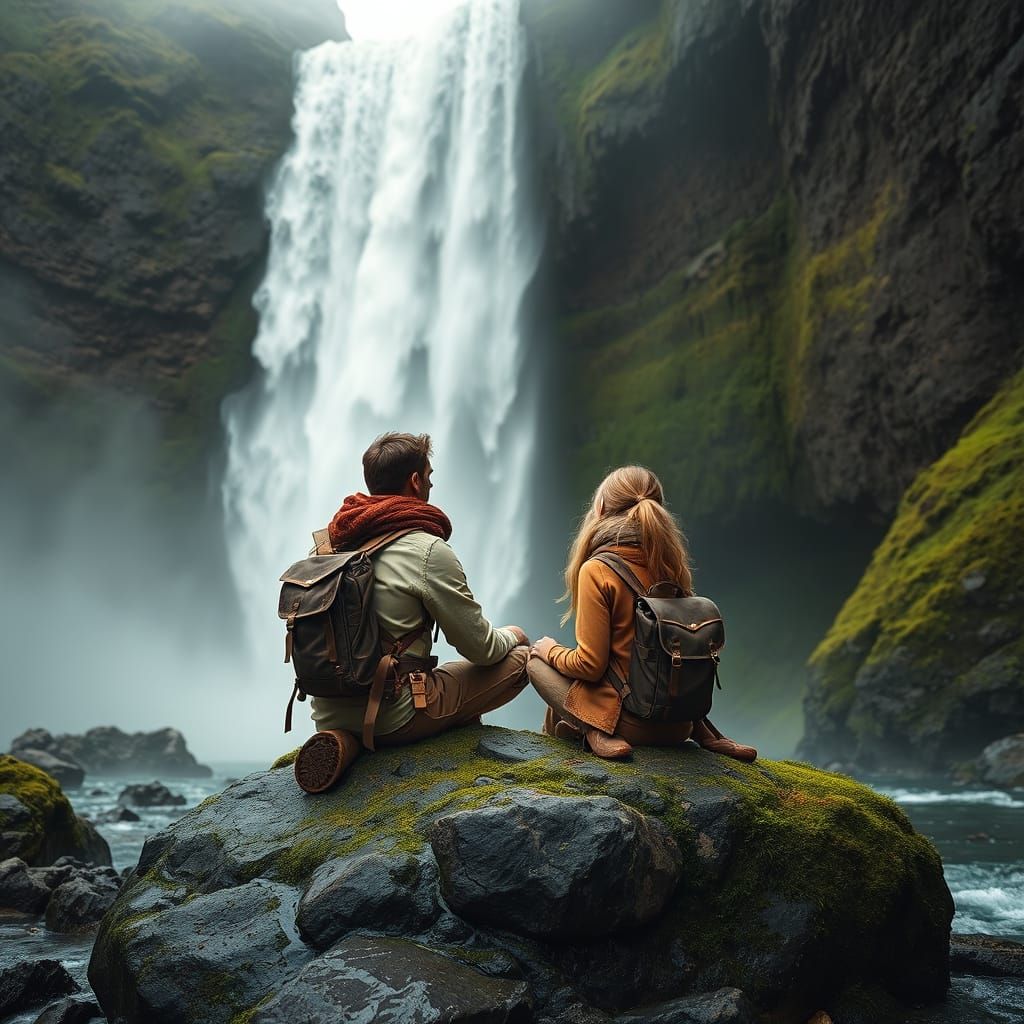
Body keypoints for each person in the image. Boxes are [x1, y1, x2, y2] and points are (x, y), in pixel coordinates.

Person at [293, 432, 530, 793]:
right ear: (416, 481)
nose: (431, 484)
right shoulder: (428, 550)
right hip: (396, 713)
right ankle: (405, 734)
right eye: (430, 477)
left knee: (442, 679)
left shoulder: (326, 548)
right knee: (520, 661)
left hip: (326, 711)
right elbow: (481, 649)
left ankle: (346, 740)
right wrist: (513, 635)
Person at [527, 465, 756, 762]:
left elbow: (590, 665)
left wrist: (550, 650)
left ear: (600, 508)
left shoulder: (597, 570)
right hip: (680, 725)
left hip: (630, 726)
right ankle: (707, 733)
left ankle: (595, 730)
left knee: (534, 662)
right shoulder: (669, 563)